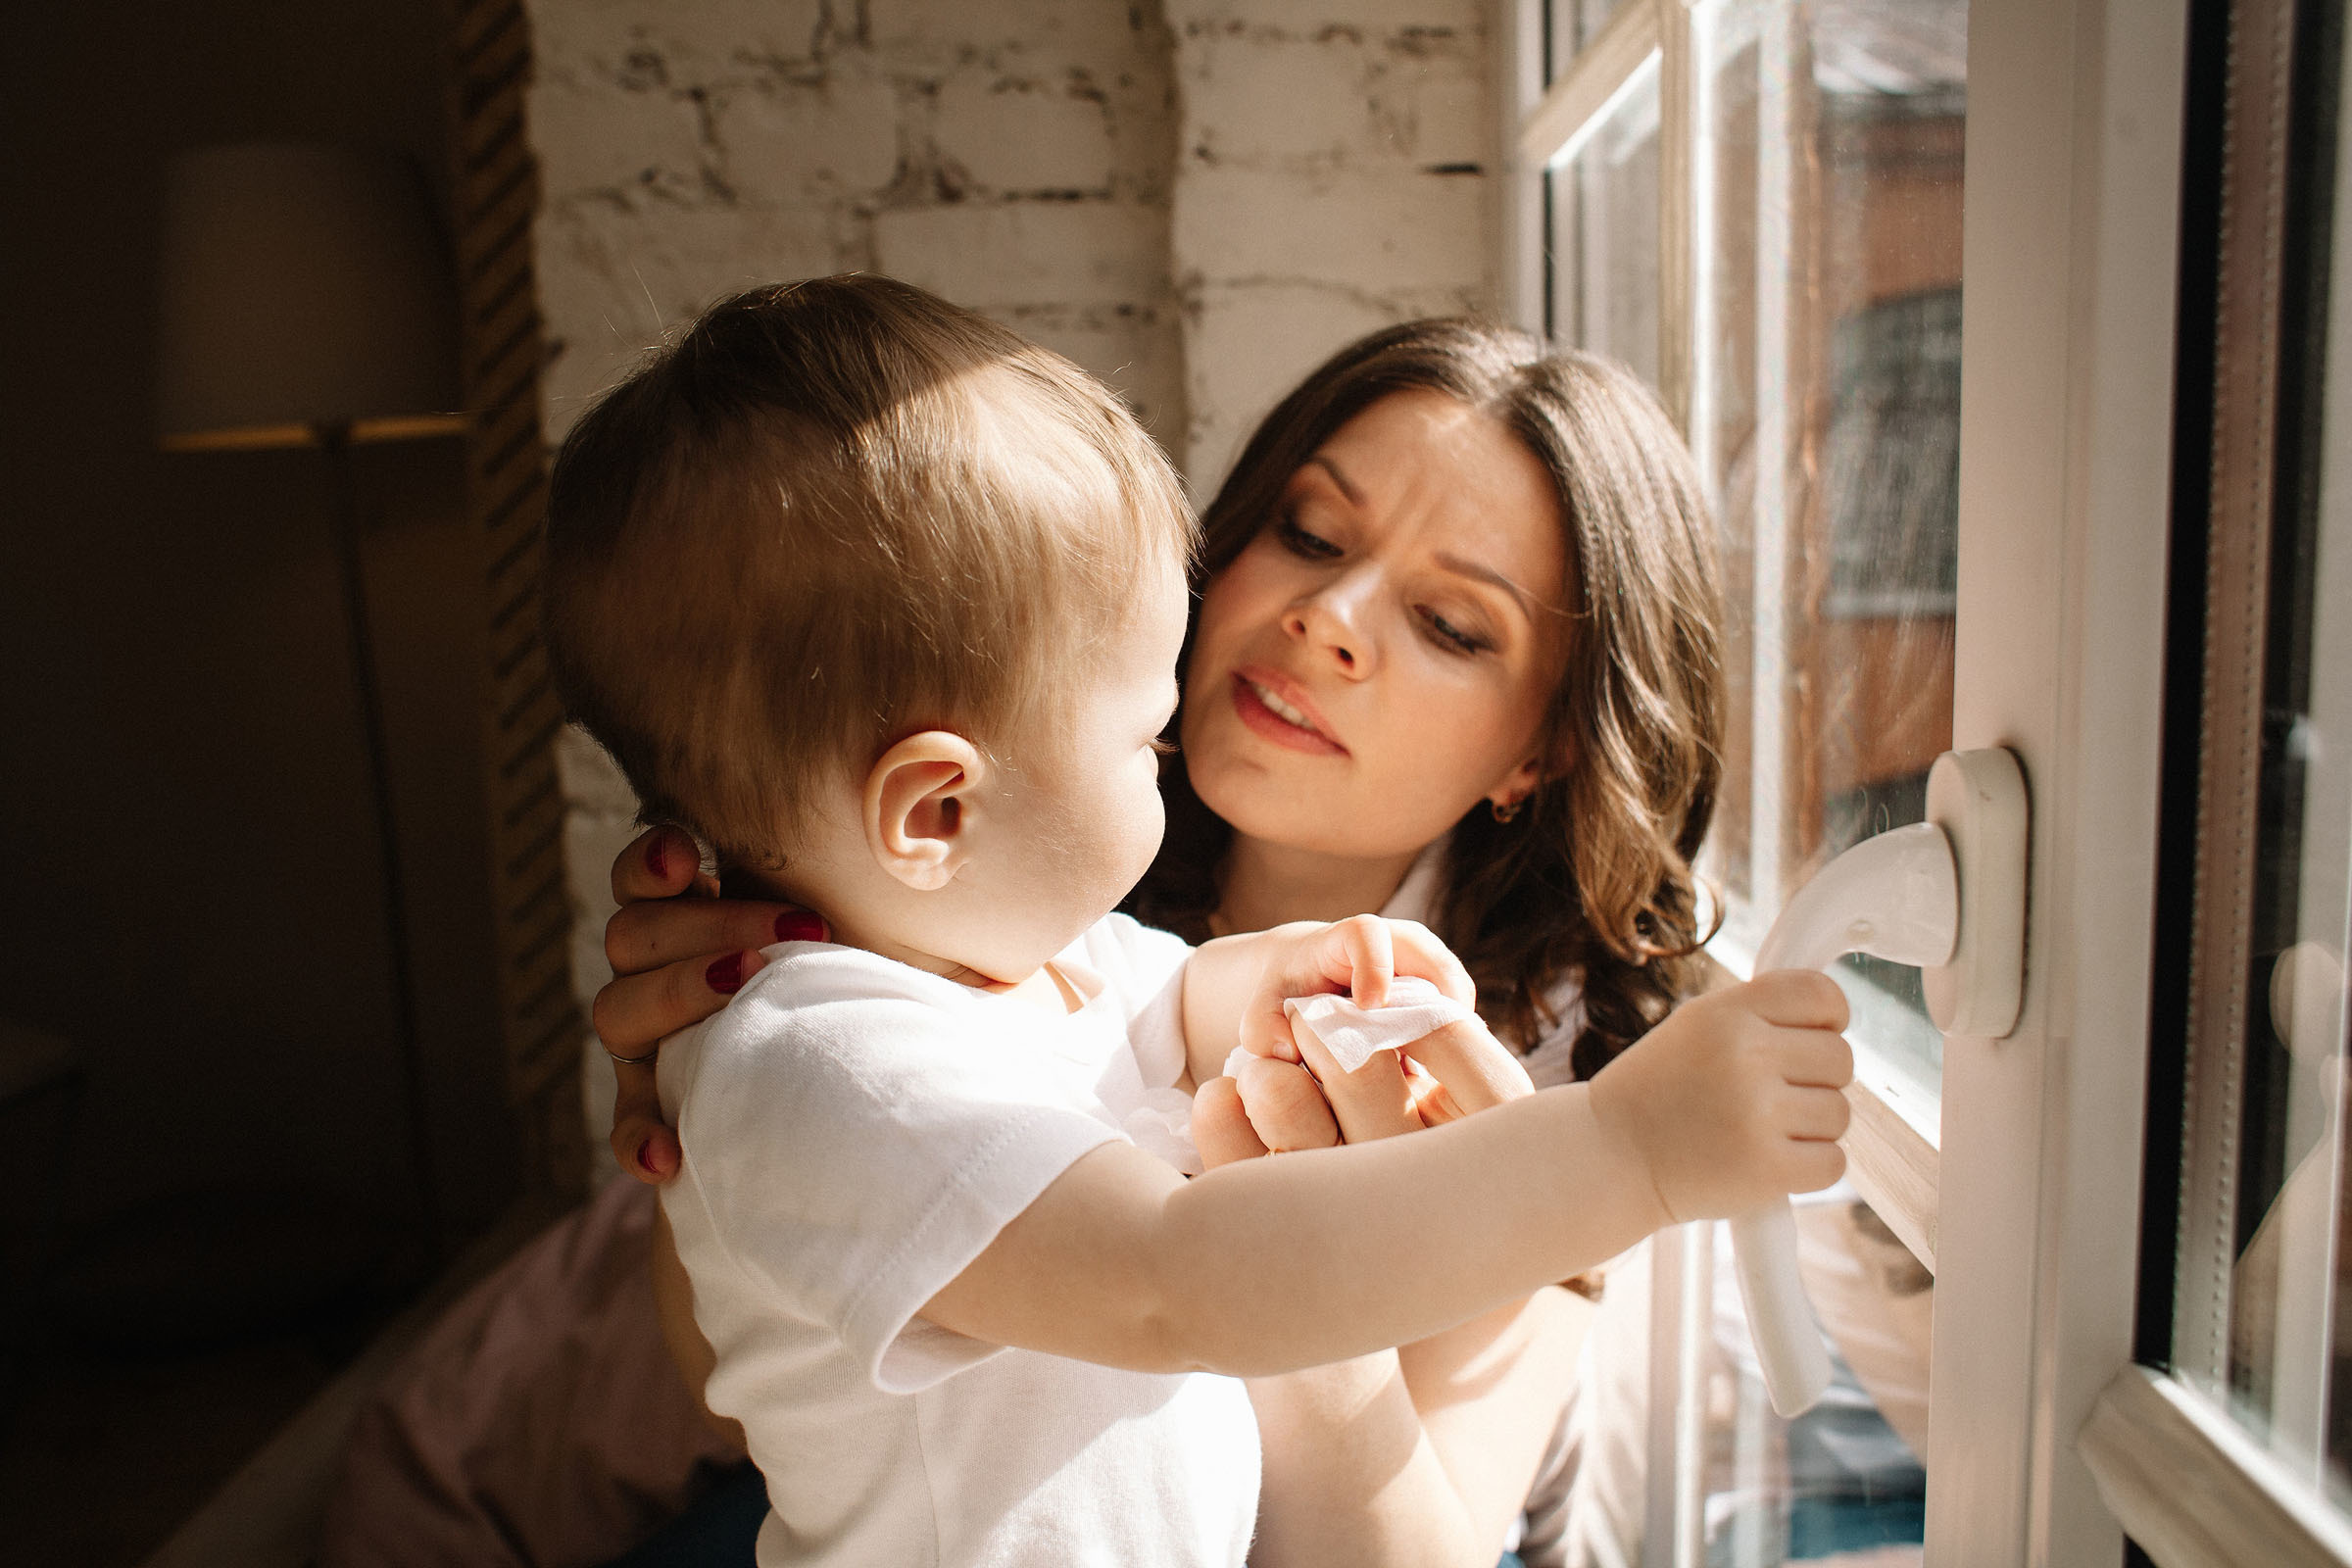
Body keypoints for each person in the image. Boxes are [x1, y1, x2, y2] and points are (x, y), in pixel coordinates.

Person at [541, 275, 1852, 1568]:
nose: (1326, 621)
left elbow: (1160, 1003)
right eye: (1312, 534)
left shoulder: (1521, 1055)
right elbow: (740, 1373)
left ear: (1543, 754)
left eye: (1451, 625)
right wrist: (688, 1121)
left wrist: (1312, 1069)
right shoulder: (970, 900)